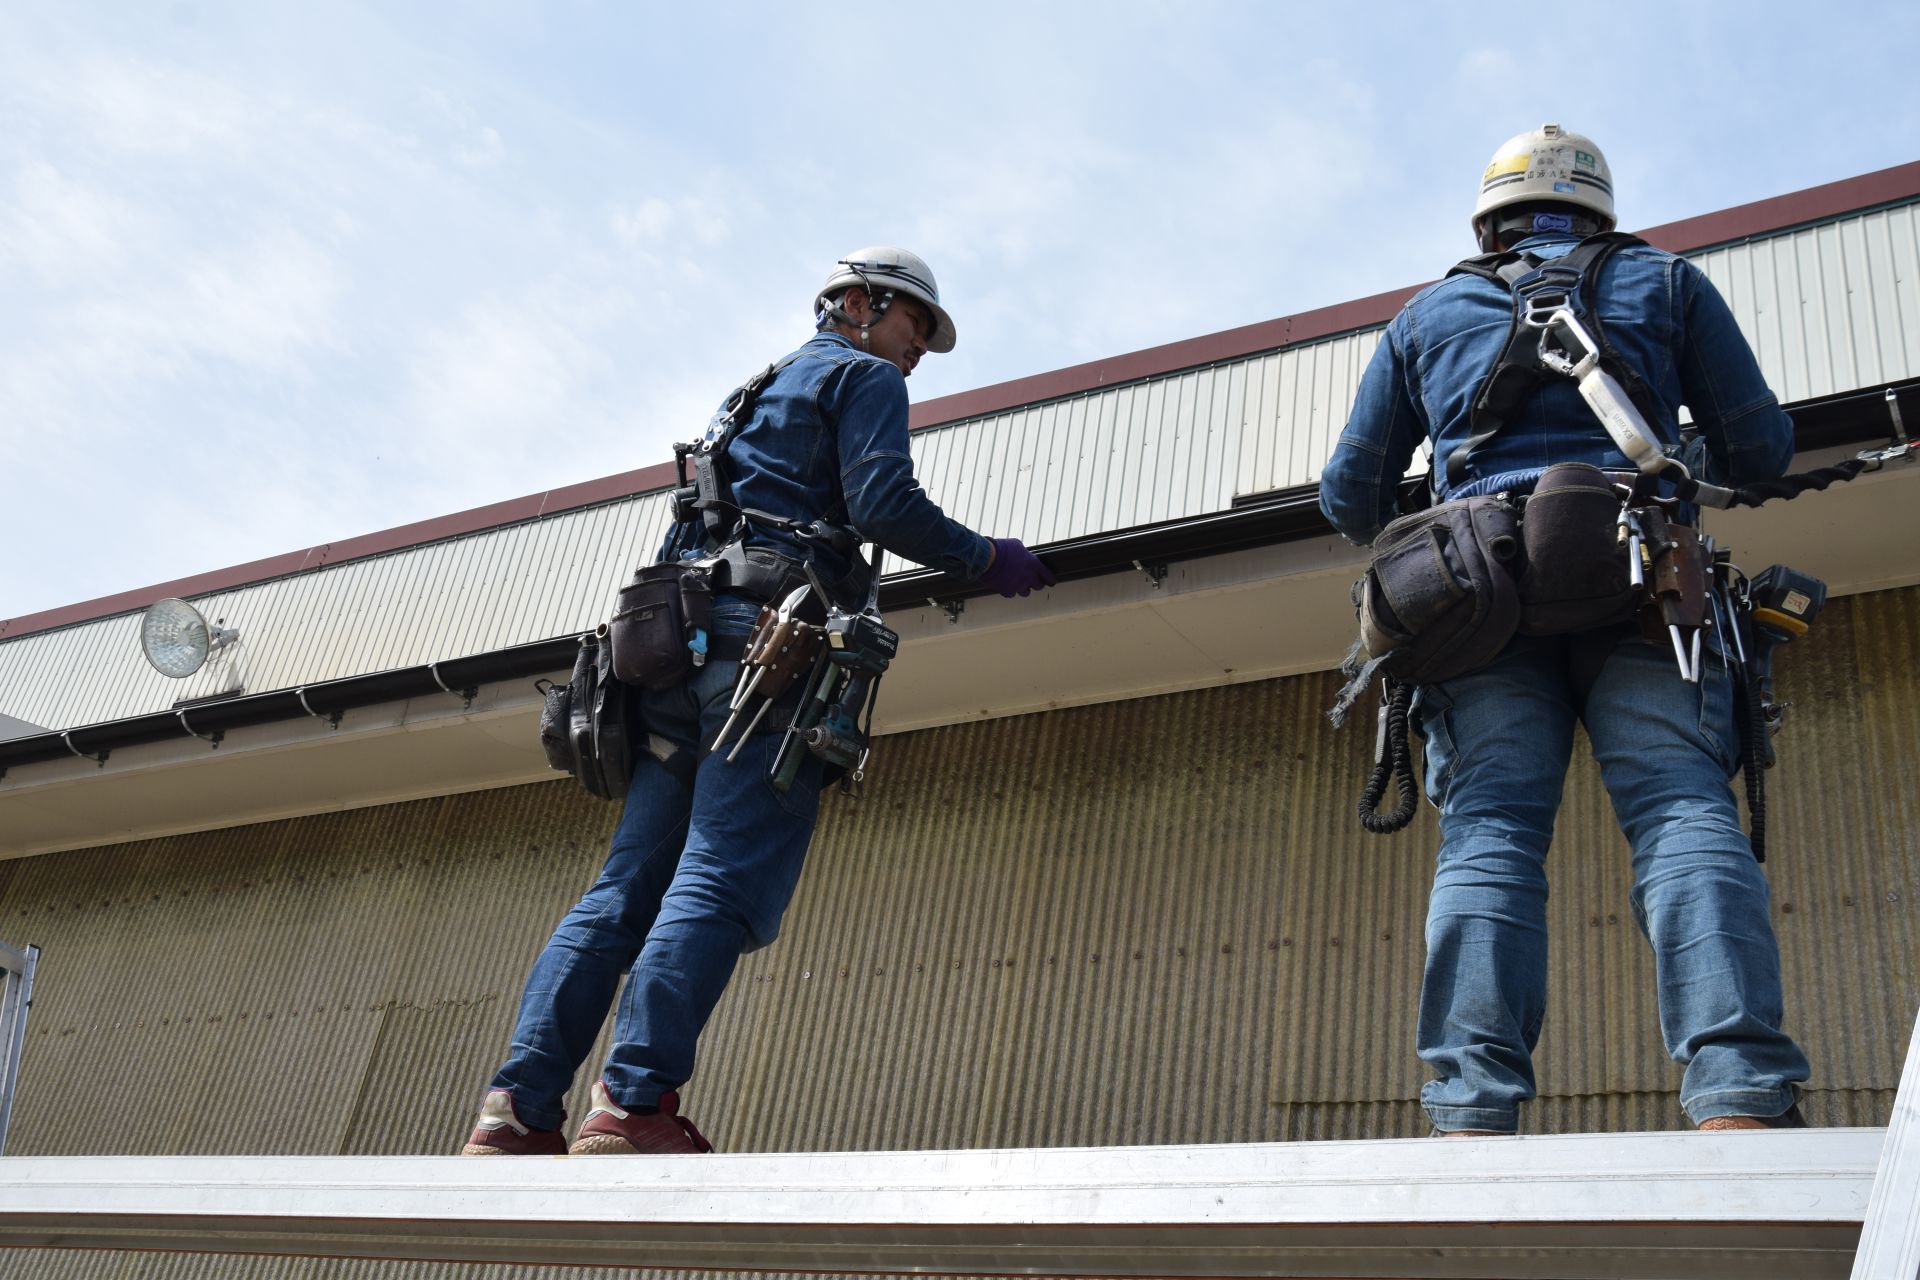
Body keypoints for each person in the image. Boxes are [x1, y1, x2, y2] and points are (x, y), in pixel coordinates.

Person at [463, 246, 1054, 1155]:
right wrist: (987, 558)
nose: (915, 355)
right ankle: (632, 1104)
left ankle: (518, 1108)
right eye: (911, 328)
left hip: (672, 647)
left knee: (625, 885)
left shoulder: (745, 398)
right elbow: (885, 503)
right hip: (766, 651)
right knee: (719, 869)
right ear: (857, 303)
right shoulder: (862, 379)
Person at [1318, 125, 1811, 1135]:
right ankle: (1738, 1101)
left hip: (1478, 603)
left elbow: (1349, 496)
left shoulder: (1427, 316)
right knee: (1680, 807)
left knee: (1492, 830)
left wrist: (1457, 512)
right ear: (1599, 206)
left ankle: (1470, 1111)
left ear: (1490, 217)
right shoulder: (1665, 282)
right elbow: (1759, 449)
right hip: (1646, 581)